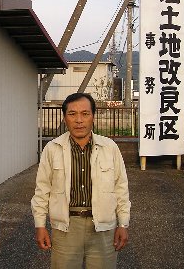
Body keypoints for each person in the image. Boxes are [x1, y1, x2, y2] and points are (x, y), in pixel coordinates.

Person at [31, 92, 131, 269]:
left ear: (93, 116)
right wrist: (40, 225)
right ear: (64, 117)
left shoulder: (110, 148)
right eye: (72, 114)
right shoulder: (52, 149)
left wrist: (123, 223)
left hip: (103, 227)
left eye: (85, 114)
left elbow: (121, 188)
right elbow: (42, 190)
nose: (79, 120)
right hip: (66, 228)